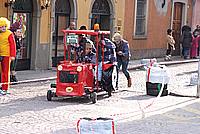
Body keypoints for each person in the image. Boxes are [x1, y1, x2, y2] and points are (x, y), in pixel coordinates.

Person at [0, 17, 16, 95]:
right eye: (1, 26)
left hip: (6, 55)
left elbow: (13, 45)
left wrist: (12, 55)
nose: (3, 28)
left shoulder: (9, 33)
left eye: (4, 26)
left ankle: (5, 88)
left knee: (5, 72)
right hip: (0, 54)